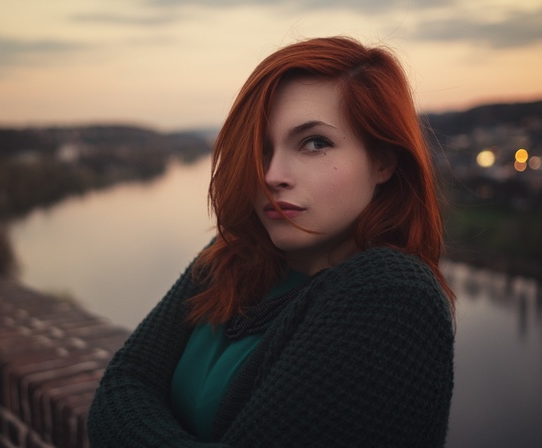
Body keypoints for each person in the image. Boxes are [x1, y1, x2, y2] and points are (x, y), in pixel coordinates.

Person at [87, 36, 455, 447]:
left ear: (383, 160)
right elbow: (122, 383)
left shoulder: (393, 294)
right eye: (261, 150)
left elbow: (125, 408)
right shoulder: (229, 259)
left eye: (315, 143)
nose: (272, 174)